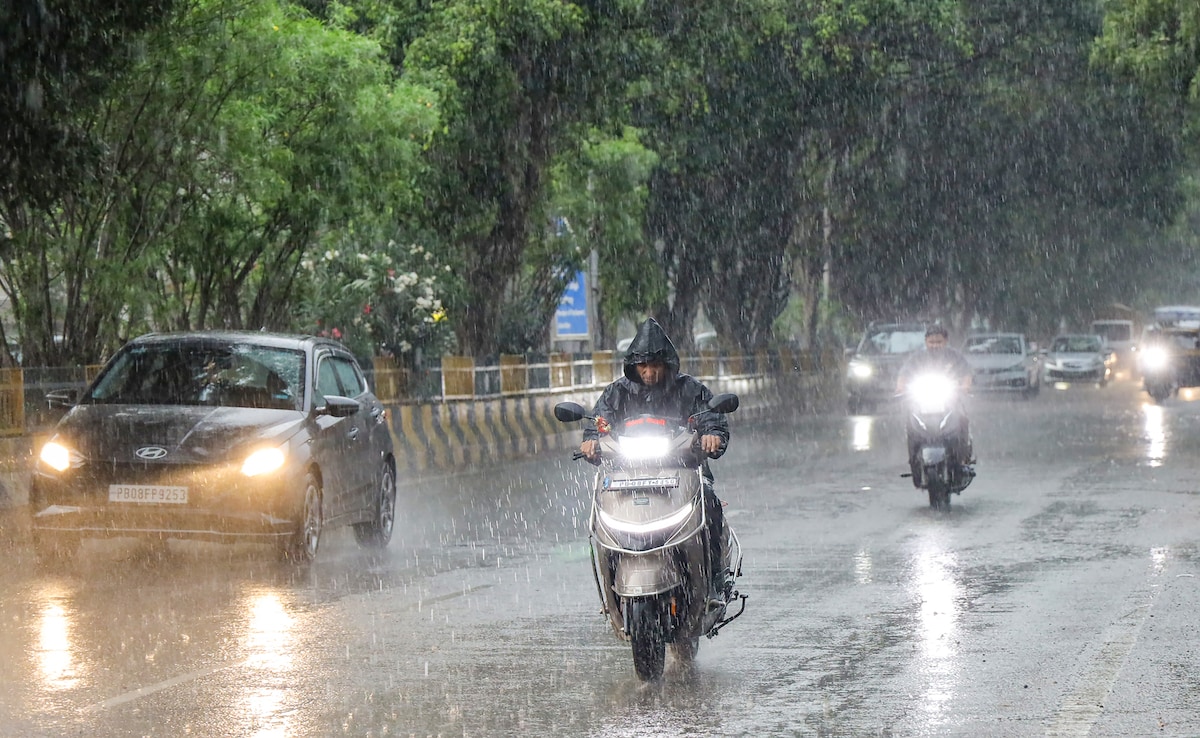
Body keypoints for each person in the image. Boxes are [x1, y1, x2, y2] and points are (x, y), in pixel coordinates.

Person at [579, 317, 732, 599]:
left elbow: (711, 417)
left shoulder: (689, 389)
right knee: (600, 516)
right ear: (633, 366)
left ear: (668, 365)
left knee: (710, 504)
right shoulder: (617, 393)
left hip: (682, 472)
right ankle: (611, 586)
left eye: (655, 365)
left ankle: (715, 581)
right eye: (643, 366)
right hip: (626, 477)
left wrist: (712, 435)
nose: (649, 372)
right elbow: (599, 422)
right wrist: (591, 440)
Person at [896, 324, 975, 478]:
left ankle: (963, 456)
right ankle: (914, 460)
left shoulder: (954, 357)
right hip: (923, 400)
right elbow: (904, 373)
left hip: (949, 400)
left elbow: (966, 373)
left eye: (938, 342)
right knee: (910, 422)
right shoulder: (918, 358)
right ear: (926, 342)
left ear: (945, 341)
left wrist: (965, 388)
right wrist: (901, 387)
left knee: (962, 418)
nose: (935, 345)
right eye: (931, 342)